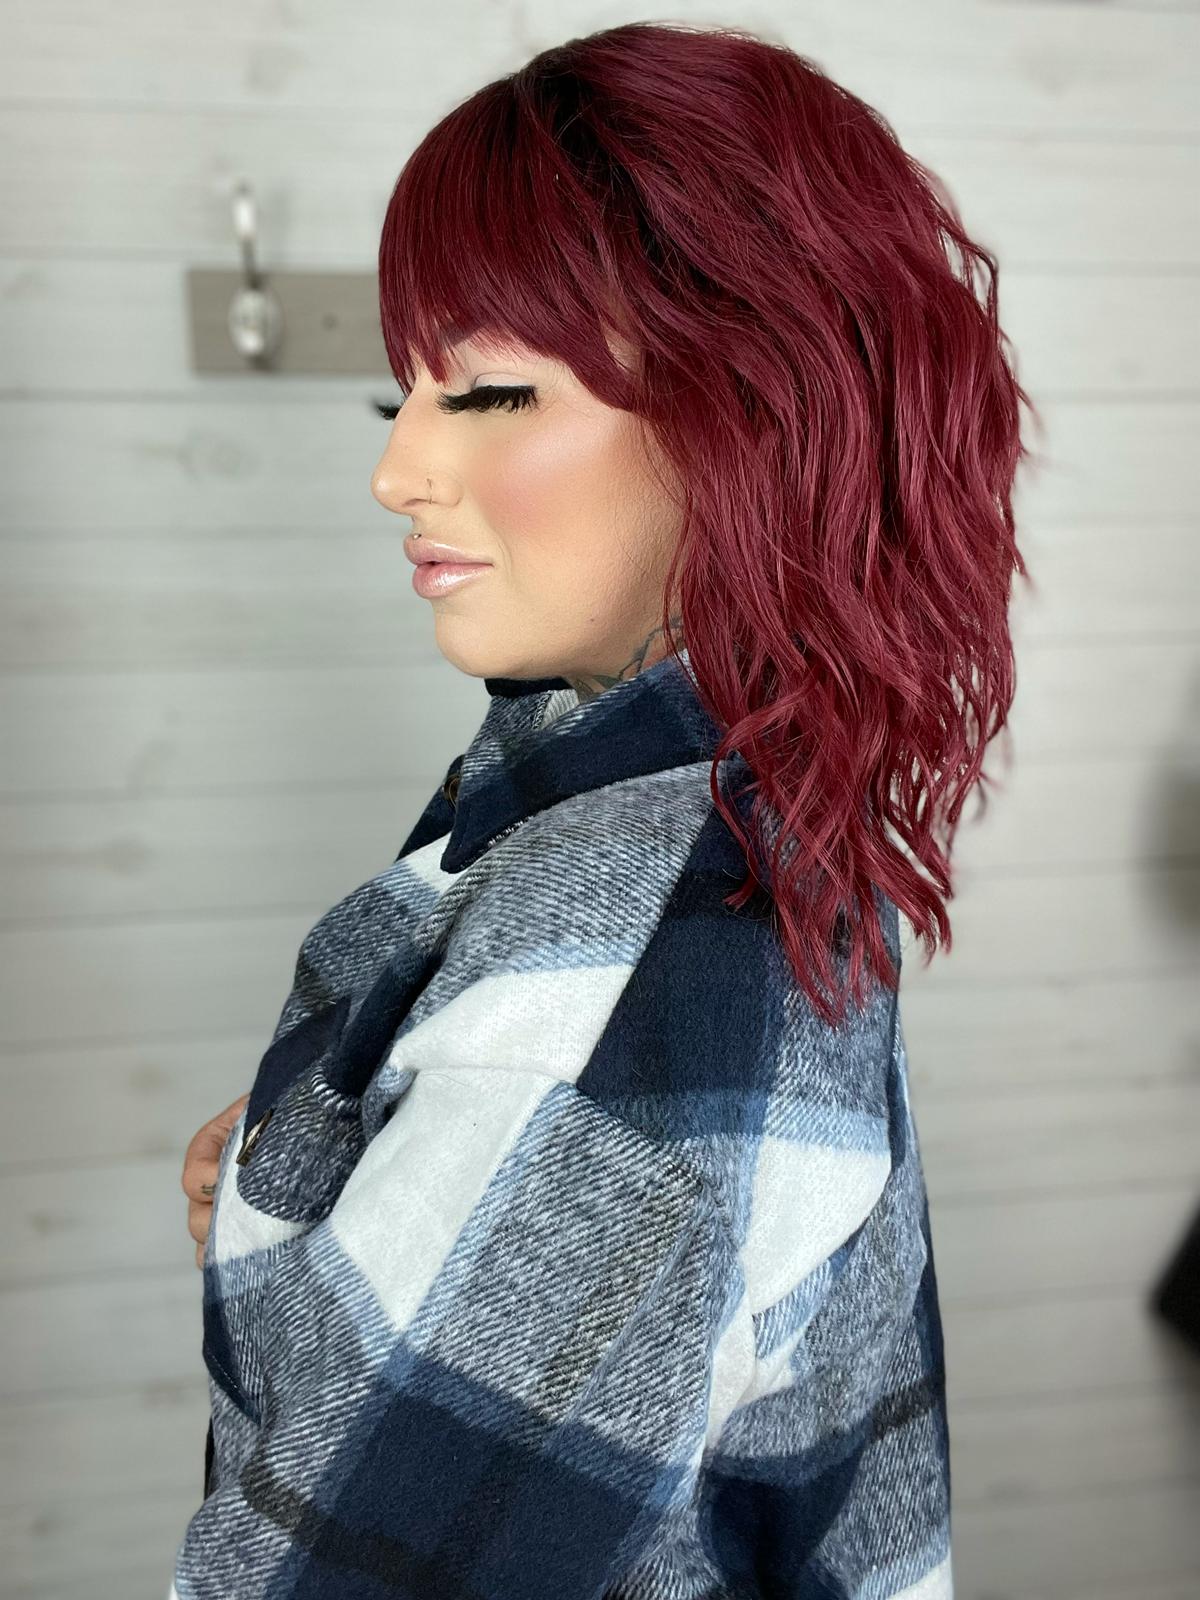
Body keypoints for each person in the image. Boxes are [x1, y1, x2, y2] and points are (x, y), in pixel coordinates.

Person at [176, 19, 1032, 1598]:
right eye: (402, 396)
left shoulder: (623, 985)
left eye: (490, 392)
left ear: (749, 415)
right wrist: (321, 1178)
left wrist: (496, 1119)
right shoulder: (697, 800)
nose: (398, 473)